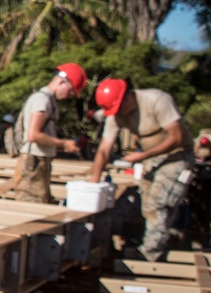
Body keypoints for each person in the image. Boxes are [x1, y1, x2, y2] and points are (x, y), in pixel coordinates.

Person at [89, 78, 194, 262]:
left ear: (127, 98)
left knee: (158, 202)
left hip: (176, 156)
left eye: (119, 108)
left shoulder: (157, 100)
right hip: (151, 158)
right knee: (144, 203)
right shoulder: (116, 114)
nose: (119, 114)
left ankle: (149, 254)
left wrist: (142, 156)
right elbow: (104, 149)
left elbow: (177, 137)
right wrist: (93, 184)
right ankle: (141, 242)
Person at [12, 63, 87, 203]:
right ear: (61, 82)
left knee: (41, 203)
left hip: (39, 162)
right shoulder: (42, 99)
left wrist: (61, 146)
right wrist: (63, 143)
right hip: (33, 162)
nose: (69, 96)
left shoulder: (48, 100)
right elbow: (34, 135)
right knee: (31, 206)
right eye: (70, 91)